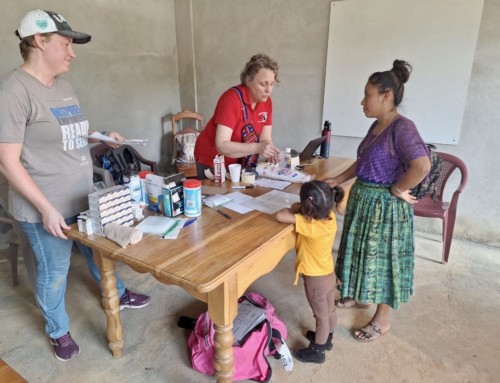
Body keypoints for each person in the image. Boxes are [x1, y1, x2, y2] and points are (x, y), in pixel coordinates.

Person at [0, 9, 150, 362]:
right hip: (44, 206)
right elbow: (7, 161)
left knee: (98, 251)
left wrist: (101, 135)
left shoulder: (63, 86)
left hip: (81, 196)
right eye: (66, 44)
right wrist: (46, 208)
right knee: (54, 273)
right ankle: (58, 330)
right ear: (39, 41)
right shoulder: (13, 91)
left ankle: (119, 293)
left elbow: (69, 130)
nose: (72, 52)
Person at [324, 60, 431, 342]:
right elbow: (363, 161)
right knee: (362, 256)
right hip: (365, 205)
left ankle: (381, 320)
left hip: (385, 211)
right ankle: (362, 297)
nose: (362, 101)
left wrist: (397, 189)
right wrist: (339, 179)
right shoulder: (377, 126)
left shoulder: (402, 128)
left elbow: (421, 165)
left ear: (386, 96)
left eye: (367, 94)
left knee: (384, 263)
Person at [275, 180, 344, 364]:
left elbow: (281, 215)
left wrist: (298, 208)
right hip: (329, 273)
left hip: (316, 281)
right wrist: (302, 207)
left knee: (321, 316)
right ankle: (327, 339)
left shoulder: (309, 225)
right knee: (329, 310)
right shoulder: (329, 216)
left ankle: (317, 351)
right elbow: (297, 207)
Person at [194, 53, 281, 178]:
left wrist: (269, 149)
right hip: (212, 159)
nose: (269, 90)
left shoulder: (266, 102)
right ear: (248, 81)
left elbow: (265, 138)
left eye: (272, 84)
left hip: (237, 162)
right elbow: (221, 145)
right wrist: (258, 148)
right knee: (217, 196)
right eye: (263, 84)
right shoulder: (231, 99)